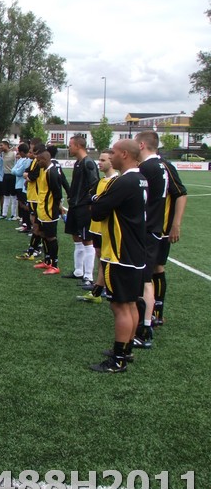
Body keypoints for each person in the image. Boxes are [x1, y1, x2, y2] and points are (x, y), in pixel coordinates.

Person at [89, 139, 148, 373]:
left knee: (120, 306)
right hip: (135, 250)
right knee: (130, 304)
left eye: (113, 152)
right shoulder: (141, 179)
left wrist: (95, 201)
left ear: (124, 154)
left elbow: (98, 211)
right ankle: (126, 350)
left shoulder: (124, 181)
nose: (110, 156)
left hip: (120, 252)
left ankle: (118, 360)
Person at [132, 131, 168, 348]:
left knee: (144, 280)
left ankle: (144, 329)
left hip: (147, 229)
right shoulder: (161, 165)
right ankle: (145, 324)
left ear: (142, 145)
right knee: (146, 279)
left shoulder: (147, 168)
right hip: (154, 227)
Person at [77, 150, 117, 304]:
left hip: (107, 228)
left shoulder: (117, 182)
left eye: (103, 160)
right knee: (100, 256)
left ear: (112, 161)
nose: (99, 163)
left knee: (107, 258)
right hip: (95, 226)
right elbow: (90, 198)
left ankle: (102, 289)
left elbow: (104, 203)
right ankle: (99, 288)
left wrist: (96, 200)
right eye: (99, 159)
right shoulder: (100, 181)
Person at [153, 158, 188, 326]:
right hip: (139, 230)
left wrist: (176, 225)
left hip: (160, 230)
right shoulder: (136, 165)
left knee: (156, 267)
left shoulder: (164, 166)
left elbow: (180, 194)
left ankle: (157, 313)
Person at [64, 136, 99, 284]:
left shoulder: (88, 163)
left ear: (78, 146)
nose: (69, 148)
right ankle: (78, 271)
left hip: (84, 207)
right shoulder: (78, 163)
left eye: (70, 145)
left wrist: (89, 202)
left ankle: (88, 276)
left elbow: (95, 184)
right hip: (74, 206)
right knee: (76, 238)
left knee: (87, 239)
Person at [32, 149, 63, 275]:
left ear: (45, 160)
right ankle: (47, 261)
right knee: (42, 233)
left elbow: (57, 193)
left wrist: (58, 208)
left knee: (51, 237)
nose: (37, 163)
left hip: (49, 211)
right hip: (41, 209)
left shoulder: (52, 173)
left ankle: (55, 265)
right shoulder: (44, 170)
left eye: (39, 160)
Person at [10, 143, 32, 227]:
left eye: (19, 151)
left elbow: (19, 172)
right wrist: (16, 171)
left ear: (22, 152)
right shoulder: (20, 160)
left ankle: (27, 223)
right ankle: (23, 221)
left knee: (24, 205)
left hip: (23, 185)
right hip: (18, 185)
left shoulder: (27, 161)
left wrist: (16, 171)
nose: (18, 153)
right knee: (21, 204)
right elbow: (13, 170)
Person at [1, 140, 18, 220]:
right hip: (5, 176)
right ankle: (4, 214)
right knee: (6, 195)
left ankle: (13, 214)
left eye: (2, 145)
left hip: (12, 176)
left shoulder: (14, 154)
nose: (1, 147)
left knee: (13, 196)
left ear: (6, 145)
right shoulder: (2, 154)